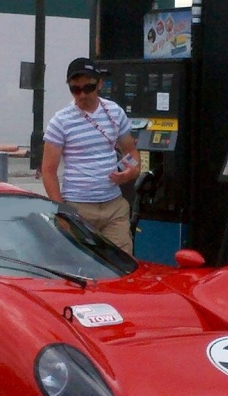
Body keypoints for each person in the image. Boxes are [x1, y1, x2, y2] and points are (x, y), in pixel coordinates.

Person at [41, 57, 141, 254]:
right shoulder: (61, 121)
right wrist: (62, 211)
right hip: (78, 205)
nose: (82, 95)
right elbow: (48, 170)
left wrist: (132, 172)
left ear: (100, 84)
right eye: (75, 89)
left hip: (113, 205)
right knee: (82, 264)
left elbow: (130, 151)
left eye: (89, 88)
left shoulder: (114, 112)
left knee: (121, 261)